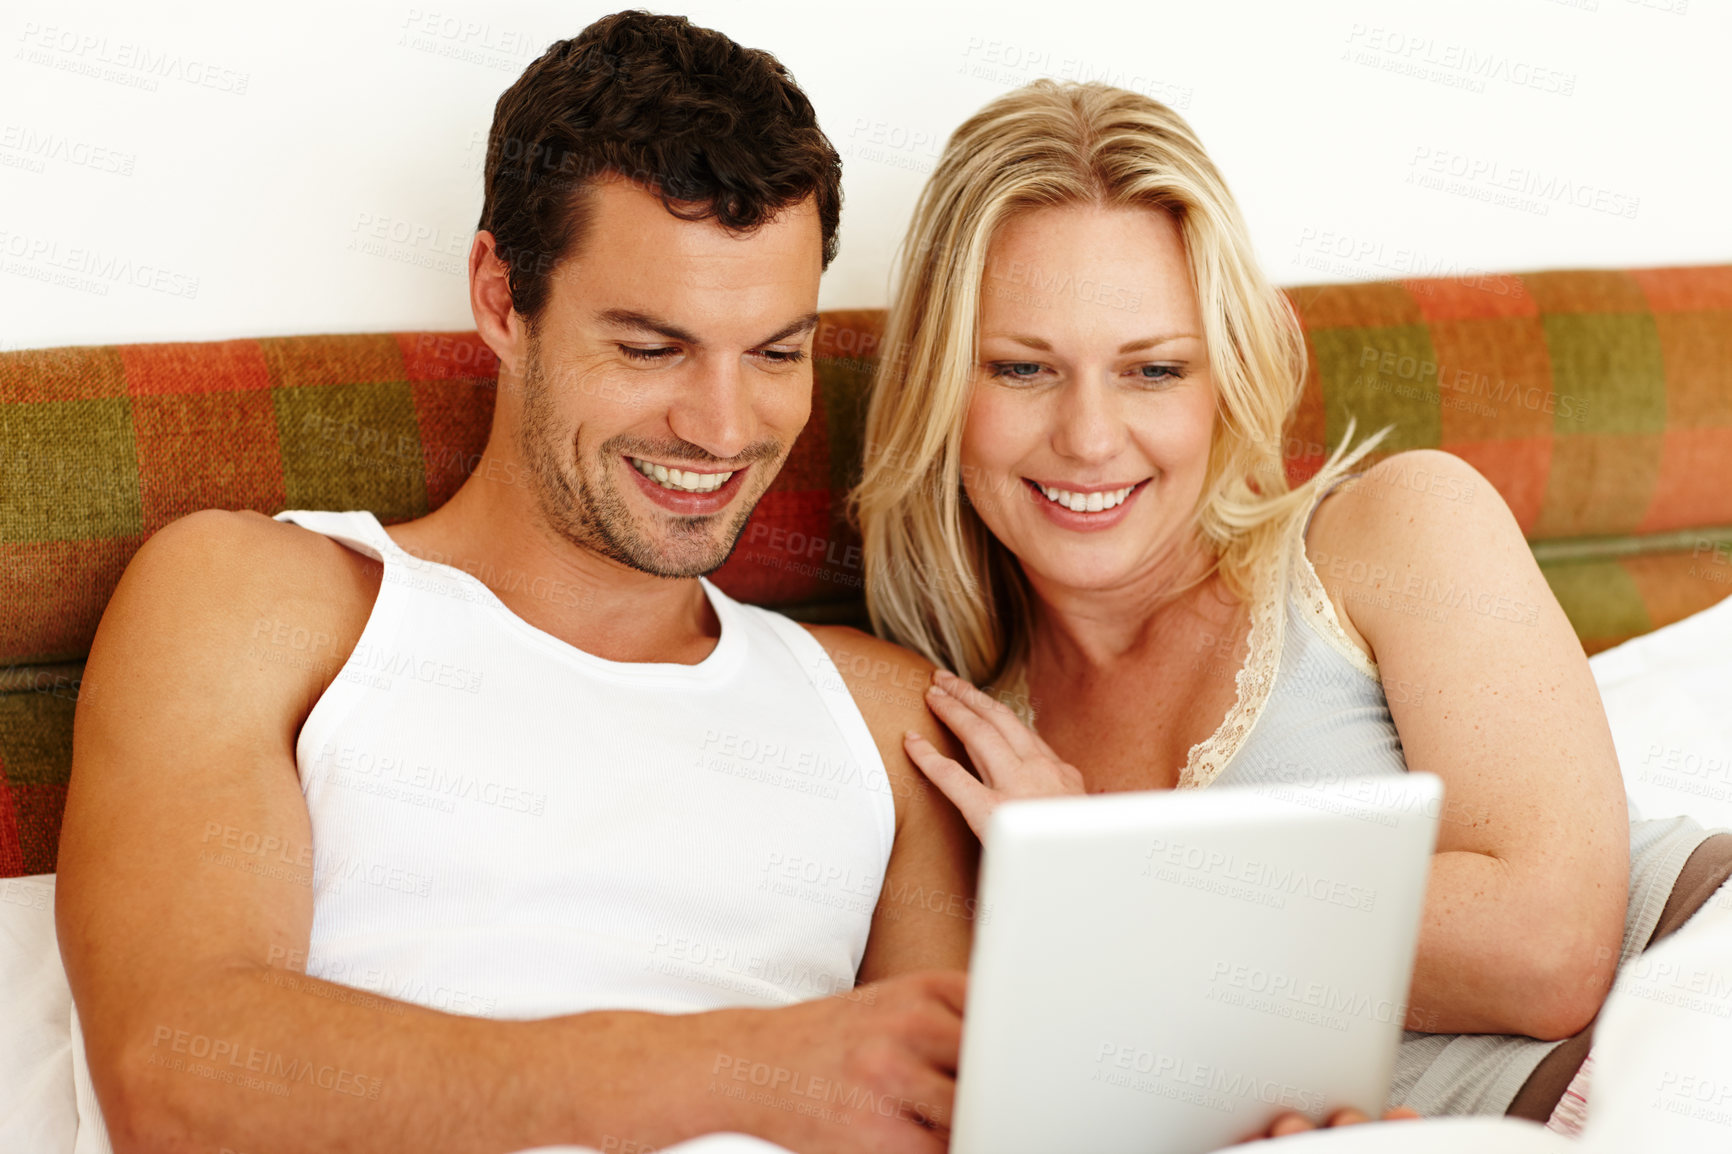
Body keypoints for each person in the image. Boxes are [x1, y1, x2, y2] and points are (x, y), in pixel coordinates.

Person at [56, 14, 980, 1154]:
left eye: (778, 352)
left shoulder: (890, 719)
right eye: (651, 348)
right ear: (501, 297)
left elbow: (964, 1108)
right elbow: (181, 1073)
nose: (725, 426)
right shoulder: (264, 602)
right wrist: (734, 1072)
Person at [853, 79, 1732, 1129]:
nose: (1089, 436)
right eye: (1021, 367)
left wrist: (1115, 880)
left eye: (1153, 368)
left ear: (1223, 373)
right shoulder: (962, 759)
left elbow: (1547, 947)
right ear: (936, 382)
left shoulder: (1393, 530)